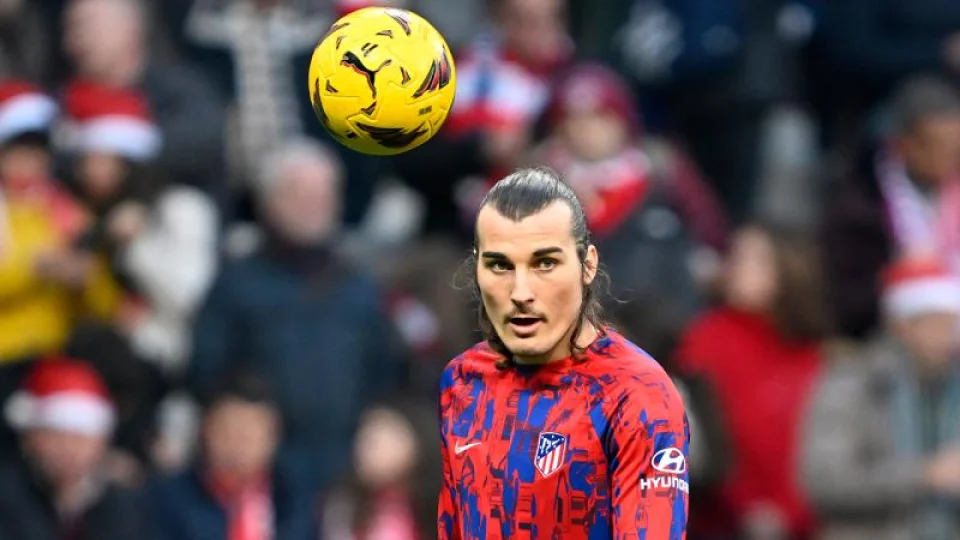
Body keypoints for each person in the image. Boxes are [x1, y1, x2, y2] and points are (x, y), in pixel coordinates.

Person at [437, 167, 689, 539]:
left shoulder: (637, 393)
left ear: (587, 265)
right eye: (500, 265)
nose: (521, 293)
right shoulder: (461, 381)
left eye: (545, 263)